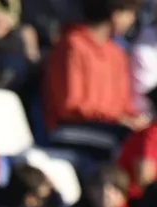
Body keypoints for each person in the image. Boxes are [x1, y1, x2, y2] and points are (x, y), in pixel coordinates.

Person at [40, 0, 144, 157]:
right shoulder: (72, 44)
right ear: (115, 14)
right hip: (69, 128)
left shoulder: (117, 53)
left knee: (147, 139)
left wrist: (135, 119)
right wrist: (116, 118)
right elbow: (69, 105)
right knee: (125, 142)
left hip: (109, 126)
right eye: (130, 13)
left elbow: (123, 103)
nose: (132, 20)